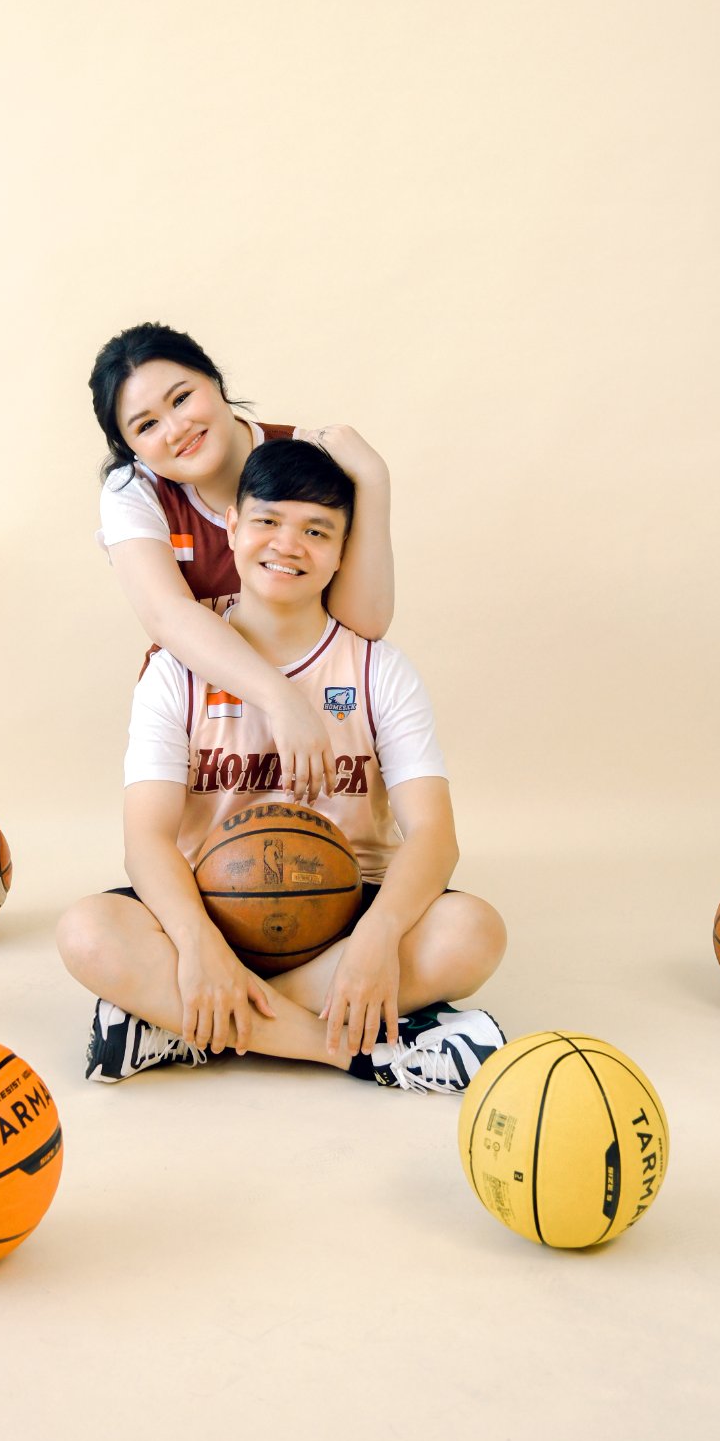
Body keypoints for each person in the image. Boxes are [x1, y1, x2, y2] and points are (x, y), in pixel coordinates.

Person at [58, 439, 507, 1093]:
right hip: (212, 910)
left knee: (473, 932)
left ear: (343, 551)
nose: (288, 545)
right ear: (232, 526)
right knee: (87, 932)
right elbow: (146, 839)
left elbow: (434, 834)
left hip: (347, 913)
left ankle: (180, 1024)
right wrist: (199, 944)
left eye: (316, 531)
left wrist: (378, 936)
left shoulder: (378, 670)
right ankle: (360, 1052)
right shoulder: (176, 669)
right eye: (268, 521)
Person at [90, 322, 393, 804]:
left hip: (321, 706)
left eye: (181, 398)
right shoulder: (135, 491)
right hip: (205, 723)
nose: (176, 429)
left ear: (215, 380)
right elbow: (167, 616)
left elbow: (365, 621)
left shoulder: (307, 460)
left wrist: (373, 481)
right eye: (146, 426)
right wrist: (280, 699)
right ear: (131, 449)